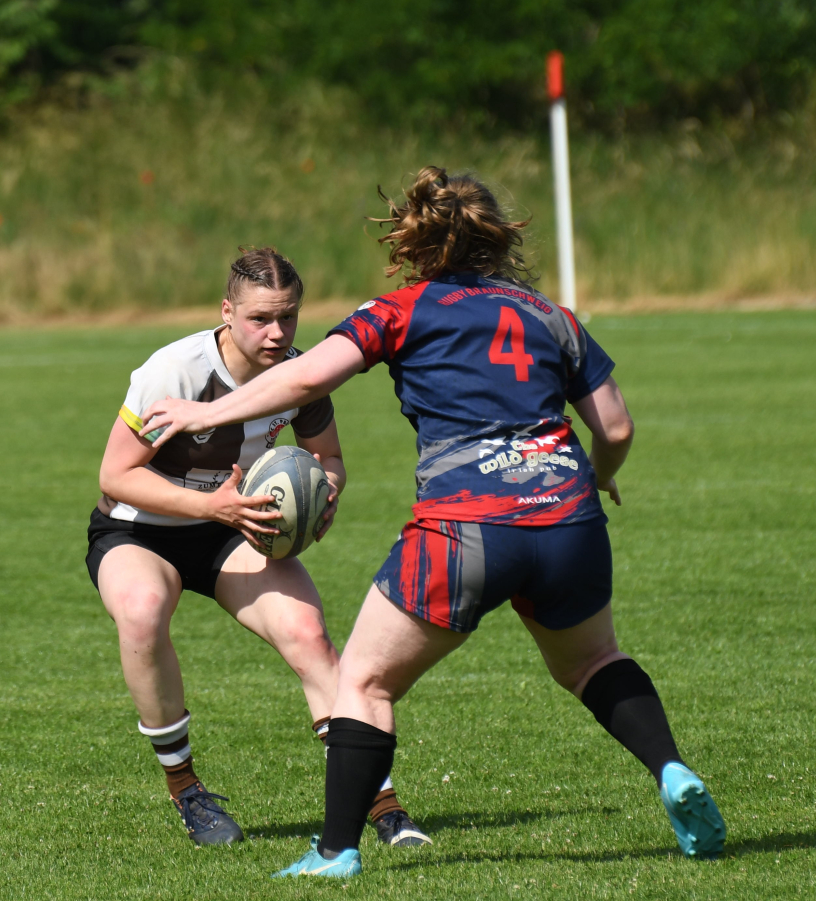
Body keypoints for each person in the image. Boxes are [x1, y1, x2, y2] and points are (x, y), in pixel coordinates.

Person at [140, 169, 727, 878]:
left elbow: (306, 377)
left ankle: (335, 852)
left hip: (467, 528)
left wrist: (205, 412)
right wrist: (601, 474)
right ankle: (670, 769)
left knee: (363, 682)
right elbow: (617, 426)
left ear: (414, 240)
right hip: (569, 518)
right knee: (593, 661)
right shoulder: (551, 316)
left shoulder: (400, 309)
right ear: (495, 236)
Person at [90, 246, 430, 848]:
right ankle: (186, 789)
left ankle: (382, 806)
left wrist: (324, 492)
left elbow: (329, 457)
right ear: (227, 312)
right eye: (260, 319)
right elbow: (116, 476)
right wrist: (211, 506)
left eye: (288, 317)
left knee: (309, 635)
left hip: (234, 529)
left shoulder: (299, 374)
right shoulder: (175, 370)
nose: (277, 333)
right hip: (139, 531)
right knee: (141, 613)